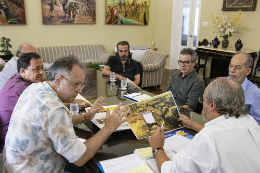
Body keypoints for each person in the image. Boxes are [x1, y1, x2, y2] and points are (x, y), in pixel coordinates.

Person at [0, 56, 130, 172]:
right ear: (58, 80)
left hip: (12, 166)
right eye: (76, 84)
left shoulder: (34, 88)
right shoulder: (54, 109)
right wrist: (109, 127)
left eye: (81, 84)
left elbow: (49, 124)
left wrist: (86, 116)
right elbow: (80, 158)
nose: (79, 91)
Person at [149, 78, 260, 173]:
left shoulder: (207, 138)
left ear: (212, 104)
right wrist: (192, 125)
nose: (202, 104)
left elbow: (171, 171)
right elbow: (223, 132)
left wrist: (157, 147)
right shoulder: (251, 122)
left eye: (203, 100)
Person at [179, 52, 260, 131]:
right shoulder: (219, 83)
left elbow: (256, 126)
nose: (232, 70)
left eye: (237, 68)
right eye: (231, 66)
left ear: (248, 71)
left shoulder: (255, 94)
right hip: (211, 127)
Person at [0, 53, 43, 154]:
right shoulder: (25, 89)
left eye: (42, 68)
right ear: (23, 71)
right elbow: (47, 113)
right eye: (36, 69)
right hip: (15, 145)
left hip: (6, 137)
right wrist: (84, 116)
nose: (41, 72)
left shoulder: (14, 79)